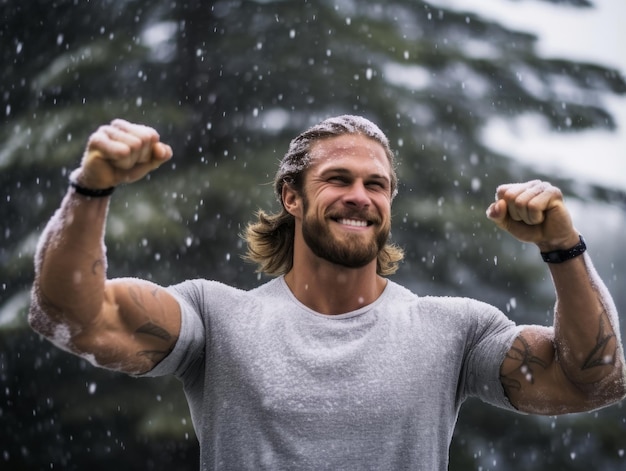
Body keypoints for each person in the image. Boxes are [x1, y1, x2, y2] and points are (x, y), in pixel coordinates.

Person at [29, 116, 625, 470]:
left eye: (377, 184)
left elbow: (593, 381)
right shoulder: (216, 317)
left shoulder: (455, 329)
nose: (360, 196)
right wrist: (92, 186)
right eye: (337, 178)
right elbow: (71, 315)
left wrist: (563, 247)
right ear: (292, 197)